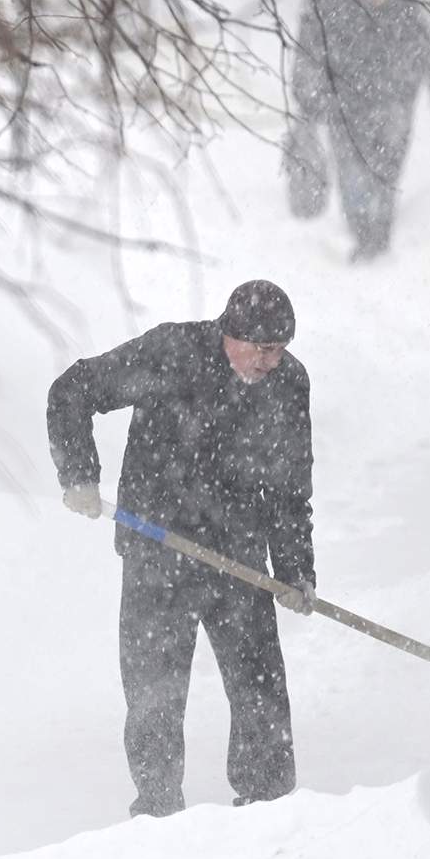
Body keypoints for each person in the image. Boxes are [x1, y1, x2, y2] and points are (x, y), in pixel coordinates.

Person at [46, 280, 316, 818]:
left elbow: (291, 488)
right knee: (154, 697)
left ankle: (270, 813)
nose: (269, 361)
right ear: (228, 333)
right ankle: (159, 811)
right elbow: (72, 391)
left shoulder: (288, 383)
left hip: (239, 559)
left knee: (261, 692)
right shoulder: (171, 354)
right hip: (157, 553)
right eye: (259, 347)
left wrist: (293, 568)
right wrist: (79, 474)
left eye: (279, 348)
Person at [289, 0, 430, 261]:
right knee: (385, 165)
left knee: (355, 165)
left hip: (350, 96)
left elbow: (308, 42)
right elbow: (416, 30)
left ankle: (366, 230)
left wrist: (307, 94)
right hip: (390, 92)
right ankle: (375, 232)